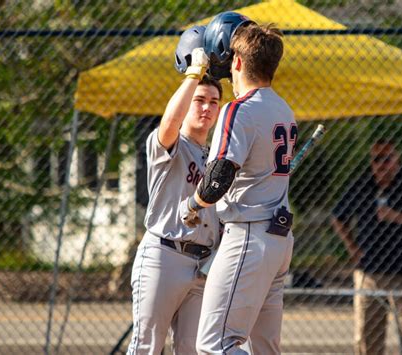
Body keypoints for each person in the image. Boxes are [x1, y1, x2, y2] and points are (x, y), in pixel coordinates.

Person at [180, 15, 297, 354]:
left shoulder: (238, 110)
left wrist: (192, 206)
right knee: (263, 347)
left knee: (215, 344)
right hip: (279, 241)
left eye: (231, 61)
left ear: (240, 61)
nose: (229, 68)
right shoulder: (285, 110)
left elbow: (217, 180)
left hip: (248, 235)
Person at [126, 37, 223, 354]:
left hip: (201, 265)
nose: (206, 107)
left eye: (213, 101)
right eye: (199, 100)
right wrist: (193, 76)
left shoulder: (217, 158)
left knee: (192, 349)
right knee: (146, 347)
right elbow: (170, 122)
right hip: (163, 256)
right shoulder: (169, 144)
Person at [331, 139, 402, 355]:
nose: (381, 164)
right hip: (370, 271)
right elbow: (337, 217)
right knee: (366, 337)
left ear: (397, 160)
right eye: (376, 159)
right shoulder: (363, 183)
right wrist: (352, 247)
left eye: (386, 158)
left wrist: (397, 217)